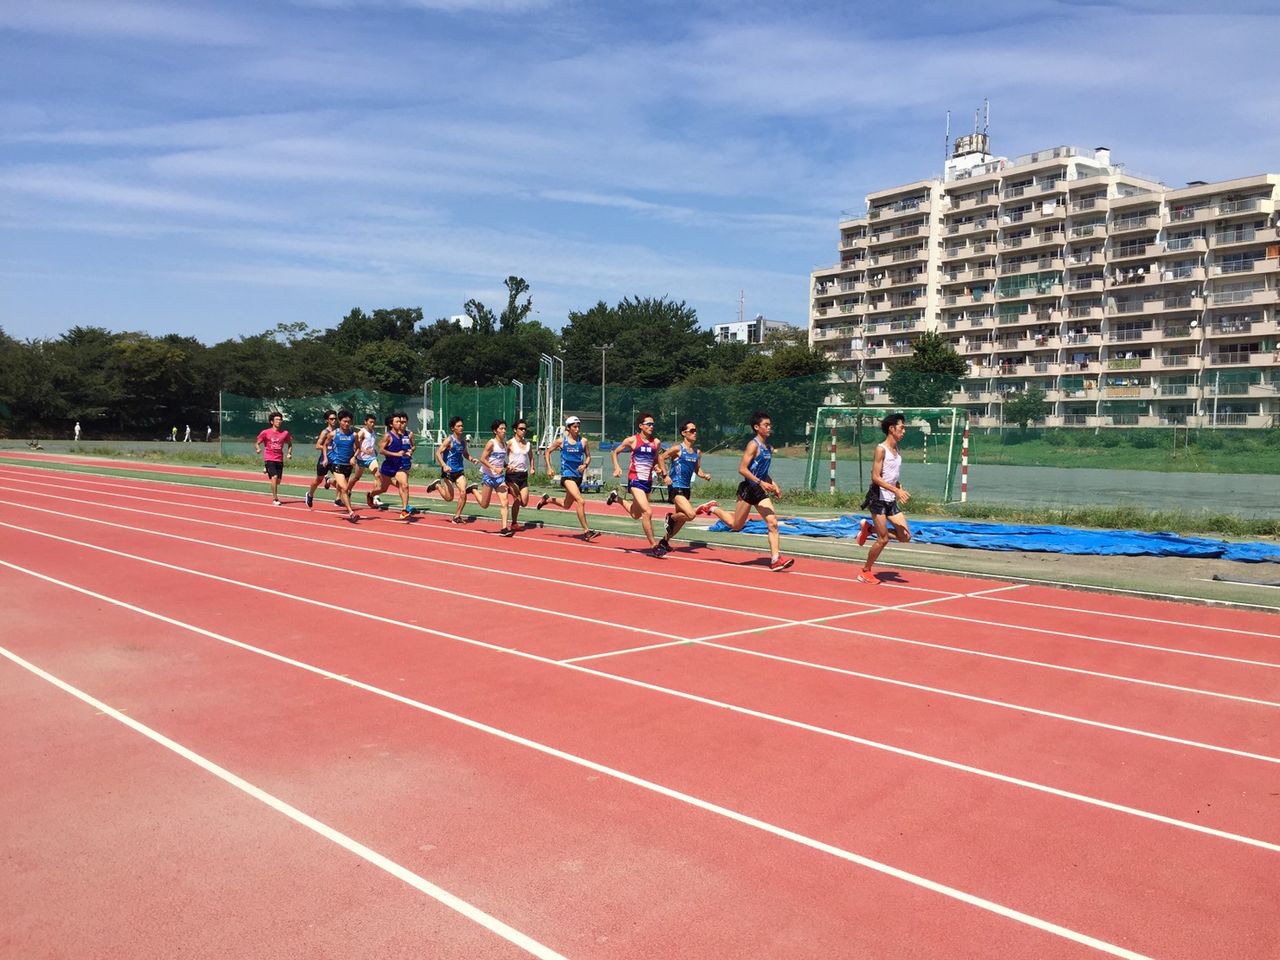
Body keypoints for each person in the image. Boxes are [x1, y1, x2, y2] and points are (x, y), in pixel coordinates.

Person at [703, 411, 794, 571]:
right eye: (766, 425)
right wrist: (761, 483)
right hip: (748, 489)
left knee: (772, 523)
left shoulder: (768, 448)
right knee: (736, 525)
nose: (769, 427)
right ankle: (712, 508)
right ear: (756, 427)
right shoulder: (753, 445)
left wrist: (774, 484)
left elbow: (763, 472)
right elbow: (742, 469)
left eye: (770, 425)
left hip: (760, 492)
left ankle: (775, 559)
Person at [855, 413, 913, 584]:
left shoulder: (897, 450)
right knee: (883, 539)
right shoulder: (881, 449)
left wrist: (899, 487)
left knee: (905, 536)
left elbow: (891, 475)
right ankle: (865, 571)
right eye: (902, 428)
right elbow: (875, 477)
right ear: (891, 428)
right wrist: (895, 490)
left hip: (890, 498)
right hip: (877, 498)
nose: (904, 431)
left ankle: (869, 530)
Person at [606, 411, 667, 555]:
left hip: (648, 482)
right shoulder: (632, 440)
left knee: (635, 514)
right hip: (635, 481)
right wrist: (617, 467)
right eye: (648, 424)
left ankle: (617, 498)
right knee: (647, 512)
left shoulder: (656, 442)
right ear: (641, 426)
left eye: (653, 424)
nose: (652, 426)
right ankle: (654, 546)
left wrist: (658, 468)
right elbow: (615, 452)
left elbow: (656, 458)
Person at [655, 418, 715, 554]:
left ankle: (664, 542)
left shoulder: (697, 452)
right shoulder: (678, 449)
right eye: (692, 431)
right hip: (676, 487)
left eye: (696, 430)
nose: (695, 433)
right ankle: (670, 517)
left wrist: (704, 475)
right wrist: (665, 475)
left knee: (681, 520)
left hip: (687, 489)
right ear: (684, 433)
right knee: (690, 514)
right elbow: (661, 458)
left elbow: (697, 469)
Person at [537, 415, 599, 540]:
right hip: (567, 476)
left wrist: (585, 465)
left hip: (578, 477)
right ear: (568, 428)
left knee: (566, 505)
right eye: (574, 427)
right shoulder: (561, 441)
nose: (577, 429)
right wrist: (549, 467)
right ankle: (587, 531)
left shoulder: (583, 441)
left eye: (578, 427)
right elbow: (547, 452)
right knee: (581, 501)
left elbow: (588, 456)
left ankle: (547, 500)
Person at [427, 416, 480, 524]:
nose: (461, 428)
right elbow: (437, 453)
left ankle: (457, 516)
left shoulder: (463, 441)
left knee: (463, 492)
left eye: (462, 426)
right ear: (453, 428)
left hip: (459, 471)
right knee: (449, 498)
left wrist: (472, 459)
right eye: (458, 426)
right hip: (448, 472)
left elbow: (465, 454)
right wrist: (444, 465)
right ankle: (437, 485)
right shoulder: (449, 440)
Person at [368, 412, 415, 519]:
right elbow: (381, 451)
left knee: (405, 485)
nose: (400, 424)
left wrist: (408, 452)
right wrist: (395, 454)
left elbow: (406, 448)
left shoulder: (403, 435)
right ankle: (370, 494)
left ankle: (404, 510)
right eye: (397, 422)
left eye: (401, 422)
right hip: (388, 466)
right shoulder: (388, 436)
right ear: (391, 424)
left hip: (399, 466)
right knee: (383, 489)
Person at [477, 420, 514, 536]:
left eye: (505, 429)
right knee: (484, 505)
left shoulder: (505, 444)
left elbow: (500, 460)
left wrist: (507, 465)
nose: (504, 431)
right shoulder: (491, 443)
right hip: (488, 476)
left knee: (505, 502)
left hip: (499, 478)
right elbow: (482, 459)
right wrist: (493, 468)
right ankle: (473, 490)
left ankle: (504, 528)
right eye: (501, 429)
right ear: (495, 431)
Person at [326, 409, 360, 523]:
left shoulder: (354, 435)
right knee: (345, 489)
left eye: (349, 422)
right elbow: (325, 445)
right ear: (340, 421)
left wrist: (354, 457)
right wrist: (327, 457)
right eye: (344, 421)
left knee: (341, 487)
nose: (346, 424)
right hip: (337, 464)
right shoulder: (333, 434)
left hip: (348, 465)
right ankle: (351, 513)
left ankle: (330, 481)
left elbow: (358, 448)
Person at [255, 412, 293, 505]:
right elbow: (257, 443)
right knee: (274, 478)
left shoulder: (285, 433)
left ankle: (267, 469)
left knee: (278, 481)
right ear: (272, 421)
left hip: (279, 459)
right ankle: (275, 498)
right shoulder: (265, 432)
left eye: (280, 420)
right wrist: (258, 448)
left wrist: (289, 453)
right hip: (269, 458)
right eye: (277, 420)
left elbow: (290, 444)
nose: (279, 422)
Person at [504, 417, 533, 532]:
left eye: (525, 429)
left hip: (523, 475)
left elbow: (530, 456)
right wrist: (506, 465)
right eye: (521, 429)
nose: (523, 431)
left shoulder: (527, 443)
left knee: (524, 502)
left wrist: (533, 468)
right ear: (515, 430)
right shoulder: (510, 443)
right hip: (512, 475)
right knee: (517, 499)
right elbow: (501, 457)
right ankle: (514, 523)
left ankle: (514, 522)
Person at [304, 410, 338, 509]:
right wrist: (329, 448)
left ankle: (331, 484)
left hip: (335, 460)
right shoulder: (325, 432)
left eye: (335, 418)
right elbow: (317, 445)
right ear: (327, 420)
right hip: (324, 460)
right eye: (331, 419)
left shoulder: (338, 432)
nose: (334, 420)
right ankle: (310, 494)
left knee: (341, 481)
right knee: (318, 480)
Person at [349, 414, 379, 503]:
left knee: (378, 475)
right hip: (361, 459)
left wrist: (375, 450)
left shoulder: (373, 432)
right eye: (371, 422)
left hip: (372, 458)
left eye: (374, 422)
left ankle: (375, 496)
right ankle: (348, 489)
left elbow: (370, 444)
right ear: (365, 422)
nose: (372, 424)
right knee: (356, 478)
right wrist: (364, 451)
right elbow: (355, 445)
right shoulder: (362, 432)